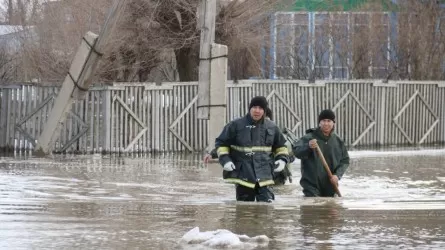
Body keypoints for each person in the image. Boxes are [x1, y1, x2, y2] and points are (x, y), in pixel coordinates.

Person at [215, 96, 289, 202]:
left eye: (260, 108)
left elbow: (281, 147)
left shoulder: (272, 127)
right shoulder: (235, 125)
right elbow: (221, 144)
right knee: (244, 211)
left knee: (266, 210)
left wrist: (282, 160)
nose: (257, 111)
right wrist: (225, 161)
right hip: (244, 175)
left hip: (265, 175)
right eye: (254, 107)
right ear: (250, 108)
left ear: (264, 111)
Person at [204, 108, 293, 185]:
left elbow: (290, 154)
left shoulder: (276, 133)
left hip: (275, 175)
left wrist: (282, 161)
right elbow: (234, 145)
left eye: (265, 118)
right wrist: (213, 154)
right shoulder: (246, 130)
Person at [292, 109, 350, 197]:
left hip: (331, 185)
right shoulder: (309, 138)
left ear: (333, 123)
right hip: (311, 185)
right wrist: (308, 146)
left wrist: (337, 176)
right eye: (323, 121)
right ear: (319, 122)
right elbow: (296, 151)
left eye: (329, 121)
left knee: (330, 207)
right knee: (314, 207)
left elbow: (345, 161)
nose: (326, 123)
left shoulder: (338, 141)